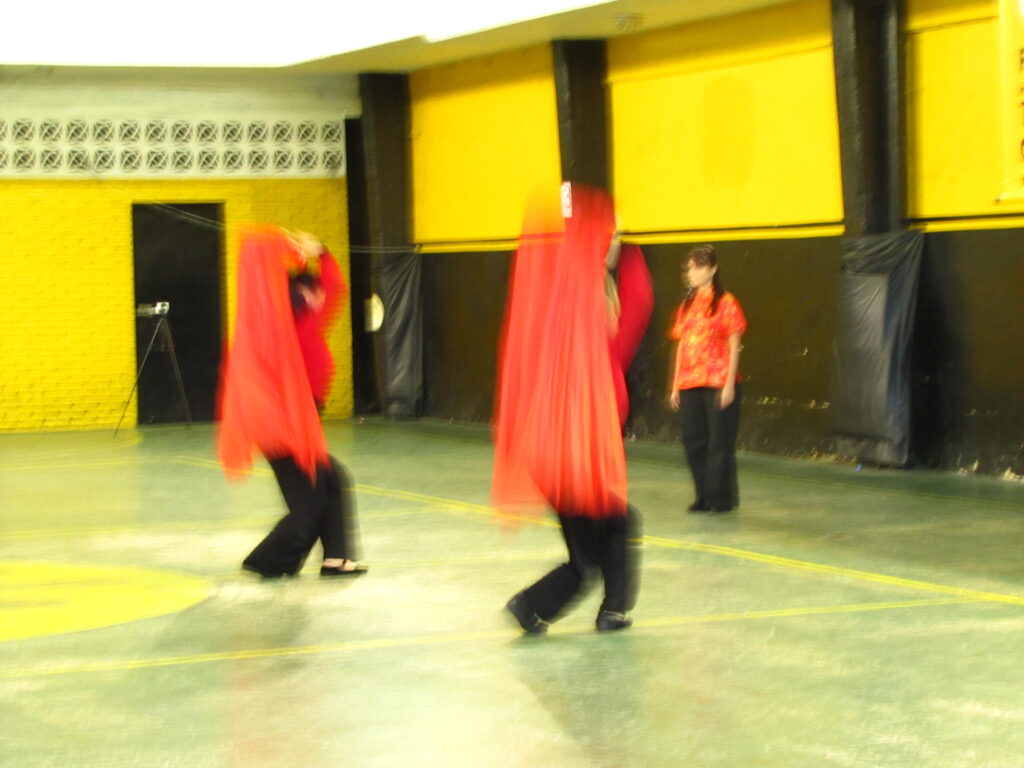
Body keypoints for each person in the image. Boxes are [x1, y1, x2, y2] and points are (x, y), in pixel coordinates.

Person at [493, 182, 652, 633]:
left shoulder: (551, 324)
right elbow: (640, 300)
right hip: (579, 460)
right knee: (616, 529)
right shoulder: (598, 338)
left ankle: (532, 606)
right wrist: (626, 246)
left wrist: (603, 240)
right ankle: (608, 610)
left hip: (550, 459)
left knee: (588, 553)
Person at [217, 225, 365, 578]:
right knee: (310, 501)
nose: (313, 299)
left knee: (332, 481)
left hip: (304, 411)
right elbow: (258, 260)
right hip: (279, 417)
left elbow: (333, 288)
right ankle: (265, 560)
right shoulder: (268, 319)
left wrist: (320, 252)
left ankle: (335, 559)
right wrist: (280, 246)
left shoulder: (304, 310)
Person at [668, 244, 747, 514]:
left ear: (712, 269)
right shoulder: (687, 306)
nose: (691, 273)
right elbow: (681, 344)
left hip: (717, 381)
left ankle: (720, 499)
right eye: (689, 268)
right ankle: (702, 495)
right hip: (690, 382)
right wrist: (676, 384)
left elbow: (734, 343)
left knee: (719, 443)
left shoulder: (726, 302)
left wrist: (729, 385)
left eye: (697, 267)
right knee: (694, 440)